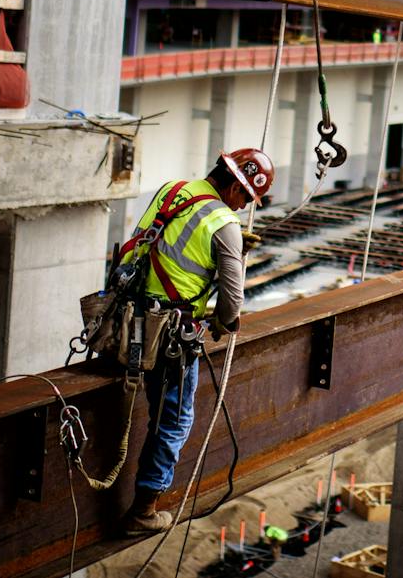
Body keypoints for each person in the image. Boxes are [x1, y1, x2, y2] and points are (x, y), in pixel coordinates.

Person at [118, 148, 275, 535]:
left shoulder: (174, 189)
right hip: (170, 334)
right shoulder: (225, 223)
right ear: (237, 187)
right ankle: (143, 511)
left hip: (128, 319)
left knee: (151, 409)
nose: (242, 209)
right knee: (173, 419)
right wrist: (225, 316)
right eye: (245, 200)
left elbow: (159, 245)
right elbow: (232, 303)